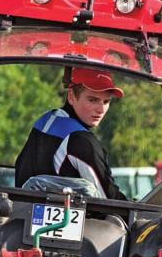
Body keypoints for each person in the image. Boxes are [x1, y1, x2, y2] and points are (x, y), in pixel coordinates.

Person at [14, 67, 126, 199]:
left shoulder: (46, 120)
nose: (101, 109)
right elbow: (108, 199)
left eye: (106, 101)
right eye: (92, 100)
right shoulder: (82, 140)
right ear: (71, 96)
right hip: (65, 217)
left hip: (20, 211)